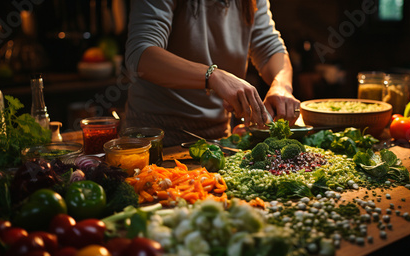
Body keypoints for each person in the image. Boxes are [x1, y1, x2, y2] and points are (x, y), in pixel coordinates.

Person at [125, 0, 300, 146]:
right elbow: (141, 55)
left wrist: (281, 86)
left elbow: (269, 47)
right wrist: (213, 76)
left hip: (217, 137)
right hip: (154, 138)